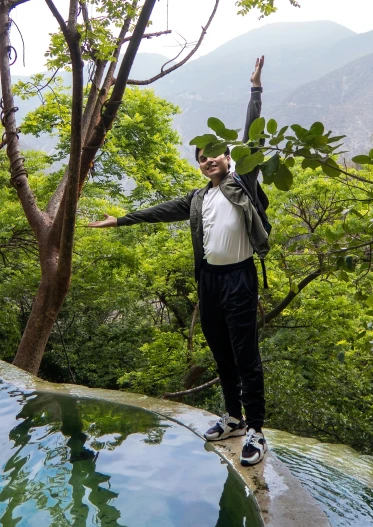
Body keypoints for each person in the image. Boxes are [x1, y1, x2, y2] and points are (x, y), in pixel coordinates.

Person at [88, 57, 269, 466]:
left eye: (215, 155)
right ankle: (234, 418)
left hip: (240, 278)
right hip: (209, 282)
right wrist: (119, 220)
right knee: (221, 353)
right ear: (200, 165)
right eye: (202, 157)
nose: (209, 161)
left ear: (227, 158)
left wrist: (255, 90)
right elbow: (156, 210)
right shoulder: (197, 198)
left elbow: (253, 141)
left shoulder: (243, 184)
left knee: (246, 355)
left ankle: (256, 429)